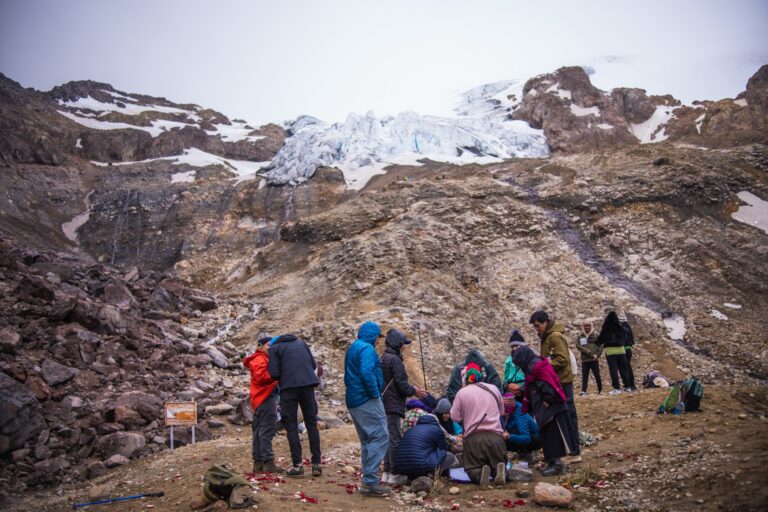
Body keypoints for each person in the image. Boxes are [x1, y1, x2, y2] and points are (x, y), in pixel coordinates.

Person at [512, 345, 577, 476]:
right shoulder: (534, 366)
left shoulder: (535, 368)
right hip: (548, 407)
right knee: (548, 436)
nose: (519, 366)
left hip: (551, 408)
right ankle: (552, 463)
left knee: (552, 437)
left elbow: (548, 387)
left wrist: (546, 403)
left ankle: (557, 465)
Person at [344, 321, 390, 498]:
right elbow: (366, 372)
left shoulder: (354, 347)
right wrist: (375, 393)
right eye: (377, 337)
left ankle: (368, 480)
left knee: (367, 439)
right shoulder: (367, 349)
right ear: (372, 336)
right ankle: (370, 481)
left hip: (354, 398)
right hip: (366, 398)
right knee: (380, 435)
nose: (378, 341)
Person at [267, 333, 322, 477]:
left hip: (289, 389)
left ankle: (297, 465)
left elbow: (273, 373)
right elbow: (313, 365)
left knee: (291, 425)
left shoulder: (274, 348)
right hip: (308, 385)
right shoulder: (301, 343)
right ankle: (316, 464)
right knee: (311, 423)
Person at [529, 311, 580, 460]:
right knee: (564, 417)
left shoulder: (554, 337)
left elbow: (562, 360)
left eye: (538, 325)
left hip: (562, 382)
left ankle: (575, 450)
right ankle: (570, 448)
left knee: (569, 415)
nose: (536, 329)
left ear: (545, 323)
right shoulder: (546, 338)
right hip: (556, 383)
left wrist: (545, 367)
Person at [381, 328, 427, 485]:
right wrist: (415, 391)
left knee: (387, 438)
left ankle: (386, 472)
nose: (404, 347)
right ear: (397, 344)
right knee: (394, 438)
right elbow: (402, 385)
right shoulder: (395, 360)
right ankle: (395, 473)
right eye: (402, 344)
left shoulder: (384, 358)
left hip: (385, 404)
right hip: (393, 405)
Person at [450, 363, 507, 488]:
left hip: (473, 438)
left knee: (472, 467)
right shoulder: (494, 388)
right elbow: (502, 412)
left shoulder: (462, 392)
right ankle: (499, 470)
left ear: (466, 378)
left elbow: (454, 417)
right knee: (498, 461)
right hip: (496, 437)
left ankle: (480, 474)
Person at [244, 334, 282, 474]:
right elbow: (261, 378)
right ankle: (268, 462)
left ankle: (258, 463)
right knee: (266, 429)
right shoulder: (260, 359)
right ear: (260, 346)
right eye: (268, 346)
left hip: (258, 399)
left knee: (259, 430)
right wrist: (276, 376)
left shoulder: (260, 358)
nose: (270, 348)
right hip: (265, 397)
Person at [394, 414, 458, 479]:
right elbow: (443, 448)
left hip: (401, 466)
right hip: (420, 466)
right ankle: (433, 474)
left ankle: (412, 476)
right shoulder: (436, 429)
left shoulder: (410, 430)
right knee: (449, 456)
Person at [596, 311, 632, 395]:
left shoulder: (605, 328)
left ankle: (616, 388)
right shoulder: (621, 328)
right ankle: (627, 387)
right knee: (624, 369)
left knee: (613, 370)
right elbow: (625, 338)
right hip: (621, 350)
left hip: (610, 351)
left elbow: (599, 340)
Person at [501, 393, 540, 459]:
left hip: (534, 439)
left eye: (505, 411)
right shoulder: (504, 413)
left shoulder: (520, 415)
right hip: (520, 434)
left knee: (512, 433)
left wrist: (509, 437)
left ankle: (526, 453)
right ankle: (521, 452)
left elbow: (527, 439)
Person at [575, 319, 602, 395]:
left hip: (594, 359)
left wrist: (597, 355)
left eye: (588, 325)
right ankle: (583, 391)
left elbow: (601, 345)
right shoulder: (581, 336)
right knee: (585, 376)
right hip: (585, 360)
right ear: (583, 326)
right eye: (585, 325)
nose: (587, 327)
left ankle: (600, 389)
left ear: (591, 326)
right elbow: (578, 345)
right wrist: (587, 352)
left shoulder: (595, 335)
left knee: (597, 375)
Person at [503, 329, 527, 396]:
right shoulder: (509, 360)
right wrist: (507, 385)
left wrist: (522, 388)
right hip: (511, 389)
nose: (514, 348)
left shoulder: (528, 359)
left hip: (524, 389)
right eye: (512, 346)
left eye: (516, 346)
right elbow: (506, 377)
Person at [618, 313, 637, 391]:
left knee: (626, 368)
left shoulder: (624, 329)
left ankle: (630, 385)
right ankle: (630, 384)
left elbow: (623, 340)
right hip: (627, 349)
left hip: (625, 350)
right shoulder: (627, 327)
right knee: (627, 367)